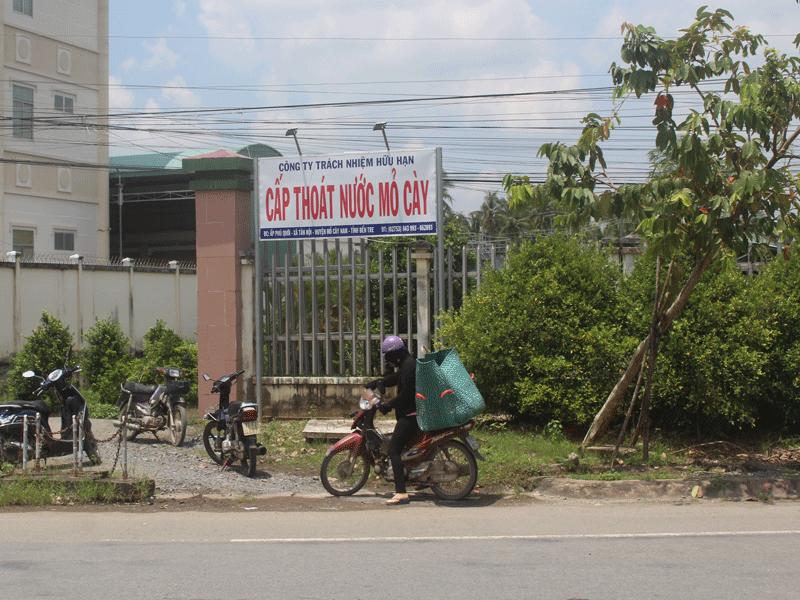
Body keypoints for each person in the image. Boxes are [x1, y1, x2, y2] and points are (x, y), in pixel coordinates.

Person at [366, 335, 419, 505]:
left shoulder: (409, 366)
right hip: (409, 415)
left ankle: (401, 493)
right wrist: (378, 382)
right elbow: (396, 378)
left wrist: (388, 405)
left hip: (410, 417)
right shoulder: (407, 364)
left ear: (396, 353)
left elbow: (406, 394)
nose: (389, 362)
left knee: (393, 450)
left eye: (388, 357)